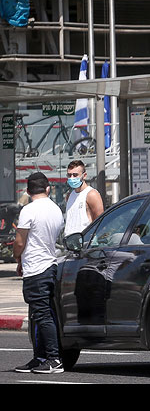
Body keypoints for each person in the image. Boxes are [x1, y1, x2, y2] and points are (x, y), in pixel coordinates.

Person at [13, 172, 65, 374]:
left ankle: (53, 359)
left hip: (35, 268)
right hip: (49, 265)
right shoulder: (55, 210)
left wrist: (18, 258)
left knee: (42, 315)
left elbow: (19, 242)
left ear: (27, 190)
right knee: (41, 313)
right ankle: (40, 356)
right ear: (48, 188)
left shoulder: (29, 210)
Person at [64, 160, 104, 237]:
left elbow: (100, 222)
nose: (71, 178)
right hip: (70, 242)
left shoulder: (91, 194)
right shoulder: (69, 196)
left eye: (75, 175)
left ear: (84, 175)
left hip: (85, 243)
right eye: (69, 175)